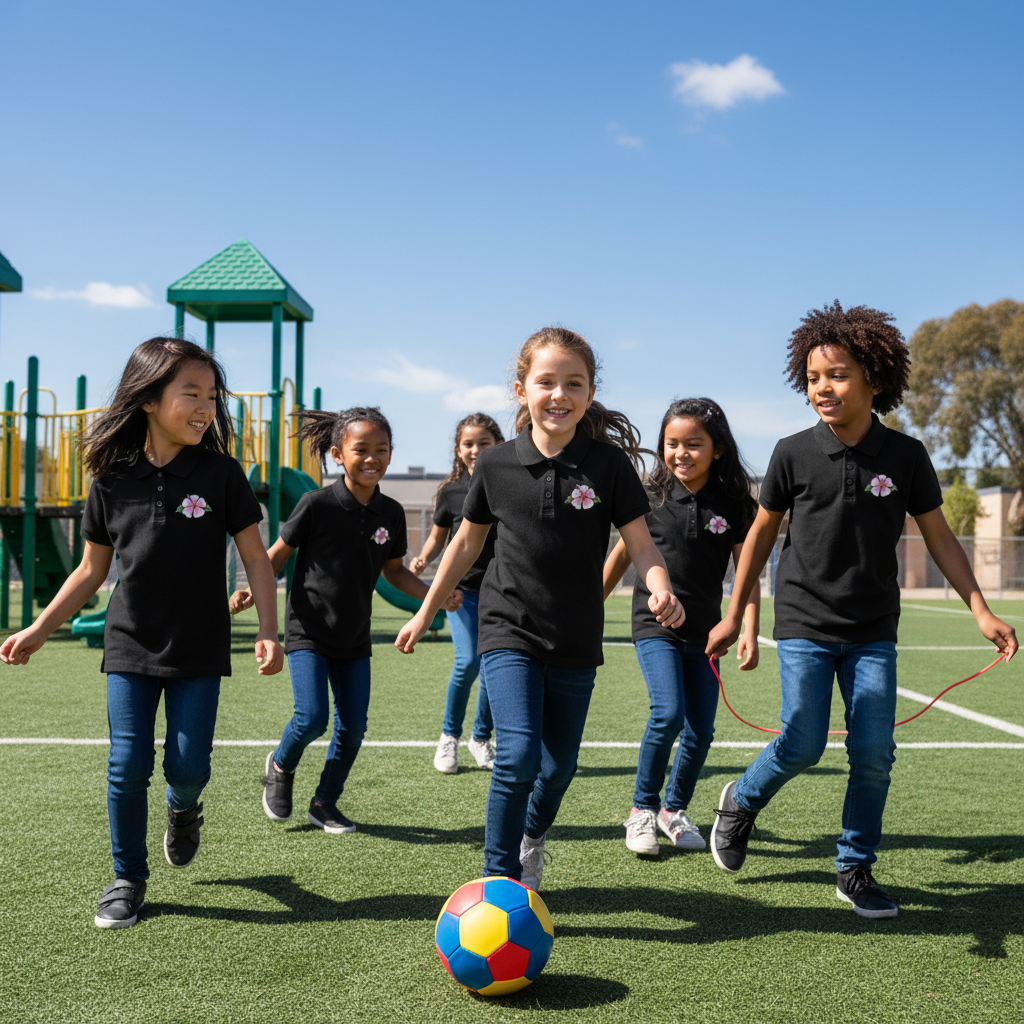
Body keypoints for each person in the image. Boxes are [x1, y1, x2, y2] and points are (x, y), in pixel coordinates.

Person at [706, 301, 1018, 918]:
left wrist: (980, 608)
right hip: (803, 620)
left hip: (874, 626)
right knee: (802, 740)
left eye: (839, 374)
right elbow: (762, 536)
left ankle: (855, 866)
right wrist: (735, 612)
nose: (824, 387)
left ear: (875, 378)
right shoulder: (791, 452)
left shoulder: (906, 457)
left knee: (873, 752)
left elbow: (940, 538)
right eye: (815, 376)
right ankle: (741, 799)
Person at [0, 337, 284, 929]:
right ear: (150, 398)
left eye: (212, 395)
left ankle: (184, 808)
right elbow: (90, 570)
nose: (206, 406)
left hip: (200, 645)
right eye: (192, 393)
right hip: (128, 641)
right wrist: (38, 628)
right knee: (126, 764)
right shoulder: (111, 479)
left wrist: (268, 628)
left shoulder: (221, 473)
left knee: (187, 767)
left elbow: (256, 557)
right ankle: (127, 877)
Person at [395, 326, 684, 890]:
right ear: (521, 388)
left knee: (557, 771)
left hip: (576, 635)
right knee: (518, 755)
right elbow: (465, 544)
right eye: (545, 381)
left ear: (590, 392)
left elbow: (641, 543)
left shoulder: (608, 466)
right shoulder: (496, 465)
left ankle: (532, 836)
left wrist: (660, 585)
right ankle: (497, 879)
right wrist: (425, 609)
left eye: (573, 383)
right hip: (507, 627)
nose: (559, 394)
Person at [234, 407, 461, 835]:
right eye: (362, 450)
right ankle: (281, 763)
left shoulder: (391, 514)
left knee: (354, 726)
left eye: (382, 449)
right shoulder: (316, 504)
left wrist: (435, 594)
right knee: (312, 717)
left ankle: (324, 803)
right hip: (308, 630)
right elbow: (277, 555)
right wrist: (251, 587)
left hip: (354, 636)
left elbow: (394, 571)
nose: (372, 458)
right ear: (338, 454)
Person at [604, 398, 760, 856]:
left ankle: (674, 810)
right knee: (668, 712)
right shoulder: (648, 496)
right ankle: (642, 811)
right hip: (654, 626)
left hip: (707, 632)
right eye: (672, 444)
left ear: (718, 450)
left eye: (694, 444)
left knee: (701, 731)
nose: (681, 453)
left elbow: (746, 575)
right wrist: (586, 608)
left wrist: (748, 629)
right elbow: (619, 558)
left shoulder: (734, 504)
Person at [410, 413, 504, 774]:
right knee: (468, 662)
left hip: (503, 594)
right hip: (461, 594)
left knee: (495, 669)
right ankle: (449, 737)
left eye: (484, 442)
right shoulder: (449, 492)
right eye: (468, 443)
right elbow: (439, 538)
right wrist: (422, 559)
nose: (476, 449)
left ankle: (481, 739)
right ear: (458, 449)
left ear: (498, 443)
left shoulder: (509, 481)